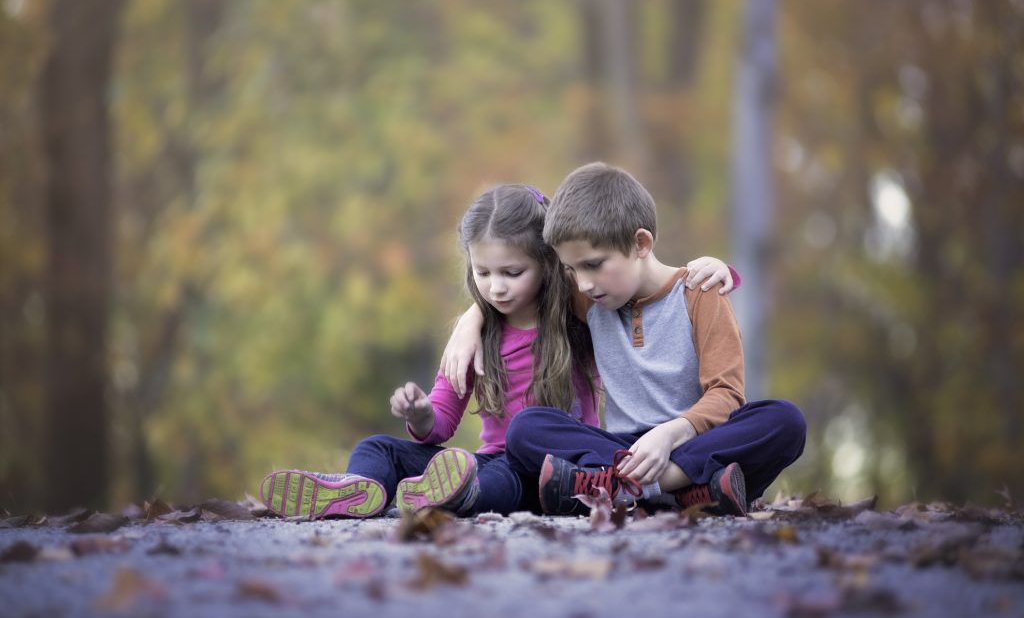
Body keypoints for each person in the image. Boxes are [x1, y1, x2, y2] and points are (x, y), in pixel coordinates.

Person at [259, 182, 741, 520]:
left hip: (544, 467)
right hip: (484, 458)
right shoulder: (476, 335)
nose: (496, 288)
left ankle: (456, 494)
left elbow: (642, 289)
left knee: (502, 472)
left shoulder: (577, 315)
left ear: (548, 266)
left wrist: (718, 269)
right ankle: (363, 489)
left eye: (512, 273)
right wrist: (421, 413)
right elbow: (440, 426)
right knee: (378, 447)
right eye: (483, 274)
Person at [443, 163, 806, 517]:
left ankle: (637, 488)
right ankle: (685, 491)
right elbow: (523, 294)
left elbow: (726, 396)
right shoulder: (590, 297)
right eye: (571, 269)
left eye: (593, 265)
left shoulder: (700, 296)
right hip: (616, 450)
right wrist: (471, 319)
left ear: (641, 243)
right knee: (527, 428)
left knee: (784, 420)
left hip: (691, 441)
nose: (581, 282)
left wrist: (668, 436)